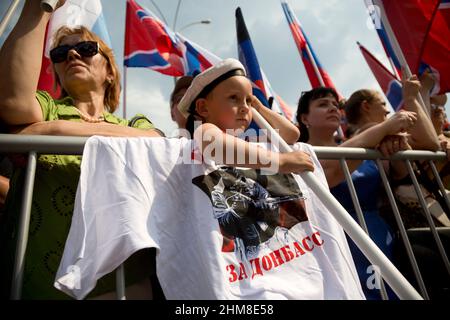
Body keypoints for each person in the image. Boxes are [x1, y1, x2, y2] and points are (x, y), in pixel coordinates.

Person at [0, 0, 162, 300]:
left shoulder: (135, 121)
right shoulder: (46, 107)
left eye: (86, 49)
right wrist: (40, 8)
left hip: (122, 284)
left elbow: (154, 139)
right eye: (61, 53)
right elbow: (12, 102)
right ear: (57, 73)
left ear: (110, 72)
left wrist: (50, 130)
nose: (72, 54)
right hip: (37, 282)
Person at [295, 86, 423, 299]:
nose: (332, 109)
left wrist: (396, 143)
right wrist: (385, 127)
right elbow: (331, 171)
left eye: (335, 105)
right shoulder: (298, 152)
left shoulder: (362, 145)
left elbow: (403, 174)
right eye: (322, 104)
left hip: (380, 234)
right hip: (339, 241)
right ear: (305, 118)